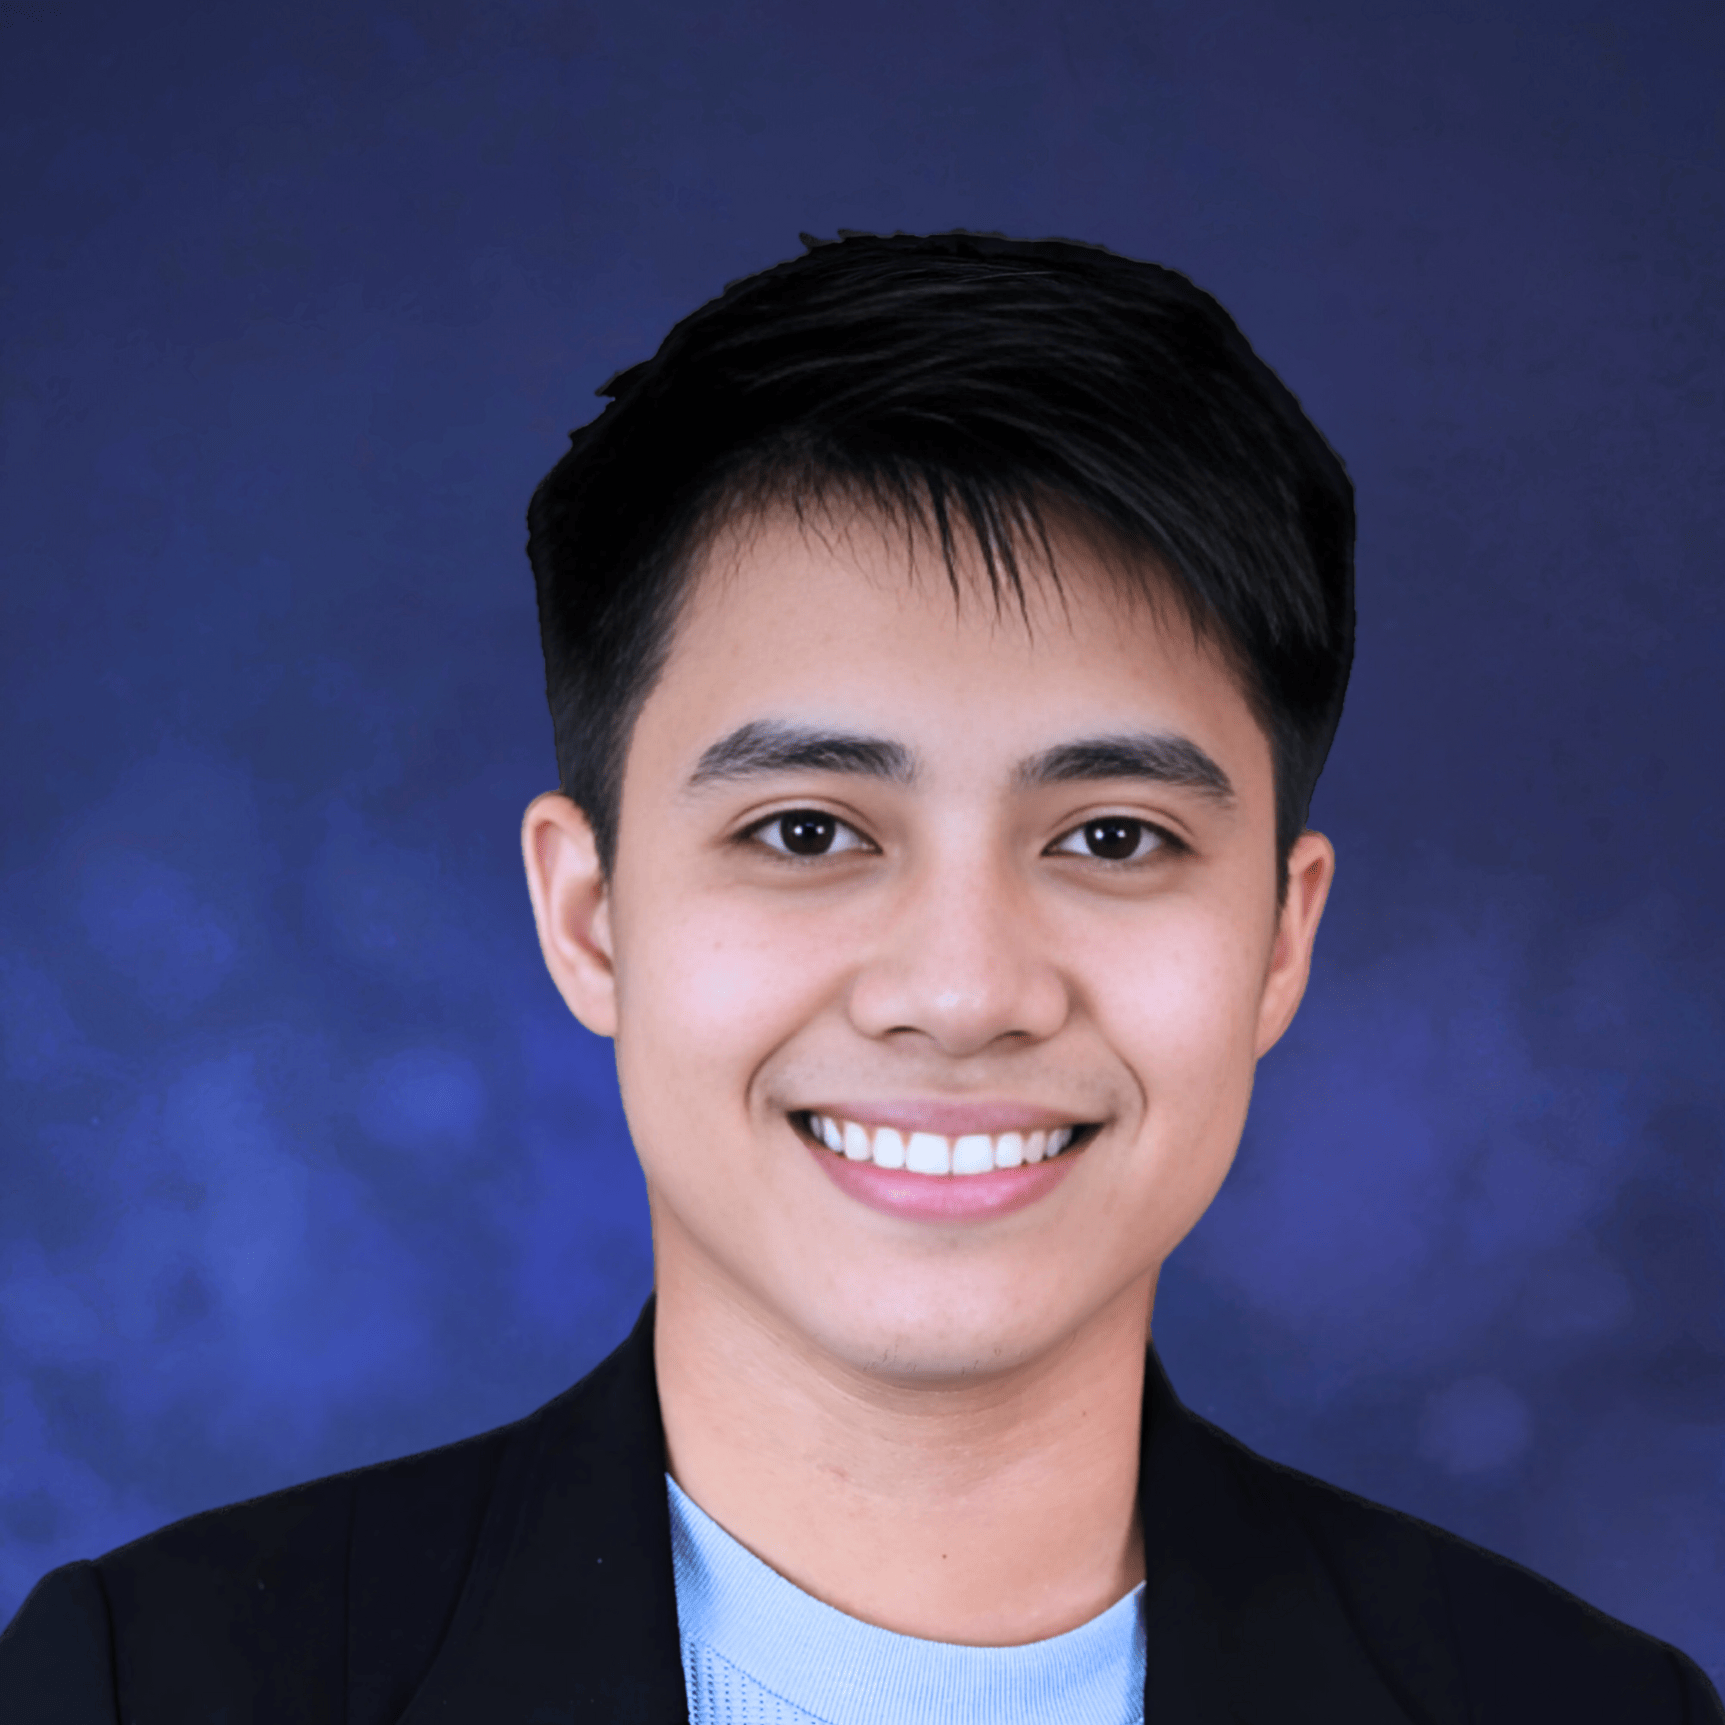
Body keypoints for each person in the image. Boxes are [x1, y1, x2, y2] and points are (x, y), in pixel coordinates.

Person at [2, 230, 1718, 1724]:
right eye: (810, 831)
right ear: (590, 918)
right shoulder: (149, 1690)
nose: (963, 994)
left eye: (1113, 837)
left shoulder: (1589, 1712)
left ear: (1281, 937)